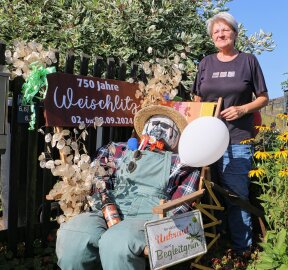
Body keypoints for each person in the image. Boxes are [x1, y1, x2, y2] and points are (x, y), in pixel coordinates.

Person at [56, 105, 200, 270]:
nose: (158, 129)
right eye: (154, 123)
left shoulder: (182, 162)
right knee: (73, 235)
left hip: (150, 217)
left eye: (165, 126)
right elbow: (99, 177)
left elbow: (182, 202)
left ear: (177, 136)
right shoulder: (117, 149)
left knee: (117, 243)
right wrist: (103, 199)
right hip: (109, 208)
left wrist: (163, 224)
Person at [191, 11, 269, 254]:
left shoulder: (248, 61)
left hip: (237, 138)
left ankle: (241, 251)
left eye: (225, 30)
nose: (220, 34)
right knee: (203, 196)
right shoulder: (205, 63)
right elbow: (196, 99)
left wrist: (242, 109)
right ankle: (211, 248)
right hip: (206, 141)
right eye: (216, 32)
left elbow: (264, 98)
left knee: (236, 196)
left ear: (234, 33)